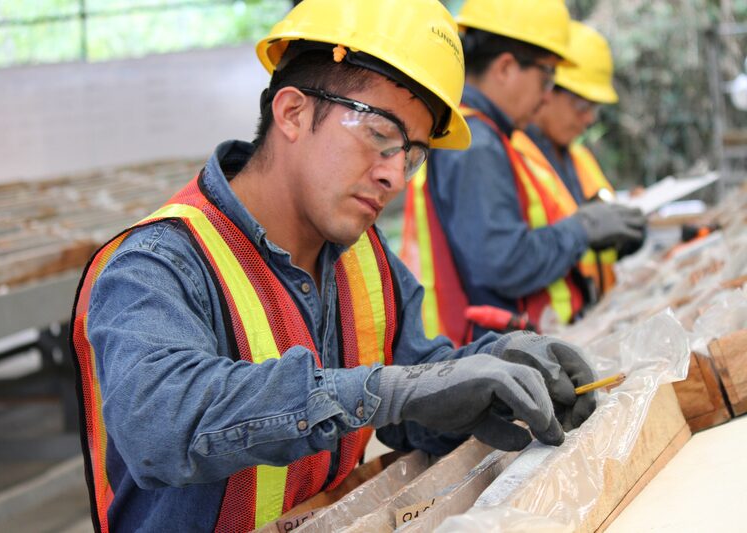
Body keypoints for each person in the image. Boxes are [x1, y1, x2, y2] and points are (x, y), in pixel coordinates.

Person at [70, 1, 597, 531]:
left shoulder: (364, 261)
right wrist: (387, 392)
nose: (395, 175)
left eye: (411, 154)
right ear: (293, 112)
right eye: (380, 135)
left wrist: (495, 373)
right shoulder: (157, 264)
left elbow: (417, 392)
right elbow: (160, 427)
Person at [401, 0, 646, 343]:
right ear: (505, 68)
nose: (547, 97)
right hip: (491, 354)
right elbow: (504, 262)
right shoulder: (477, 144)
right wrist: (582, 228)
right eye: (547, 78)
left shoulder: (488, 135)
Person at [512, 21, 644, 299]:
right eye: (582, 105)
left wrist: (624, 235)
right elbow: (509, 261)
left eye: (594, 108)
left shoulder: (579, 157)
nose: (590, 118)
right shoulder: (512, 156)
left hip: (590, 317)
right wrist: (585, 229)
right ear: (546, 92)